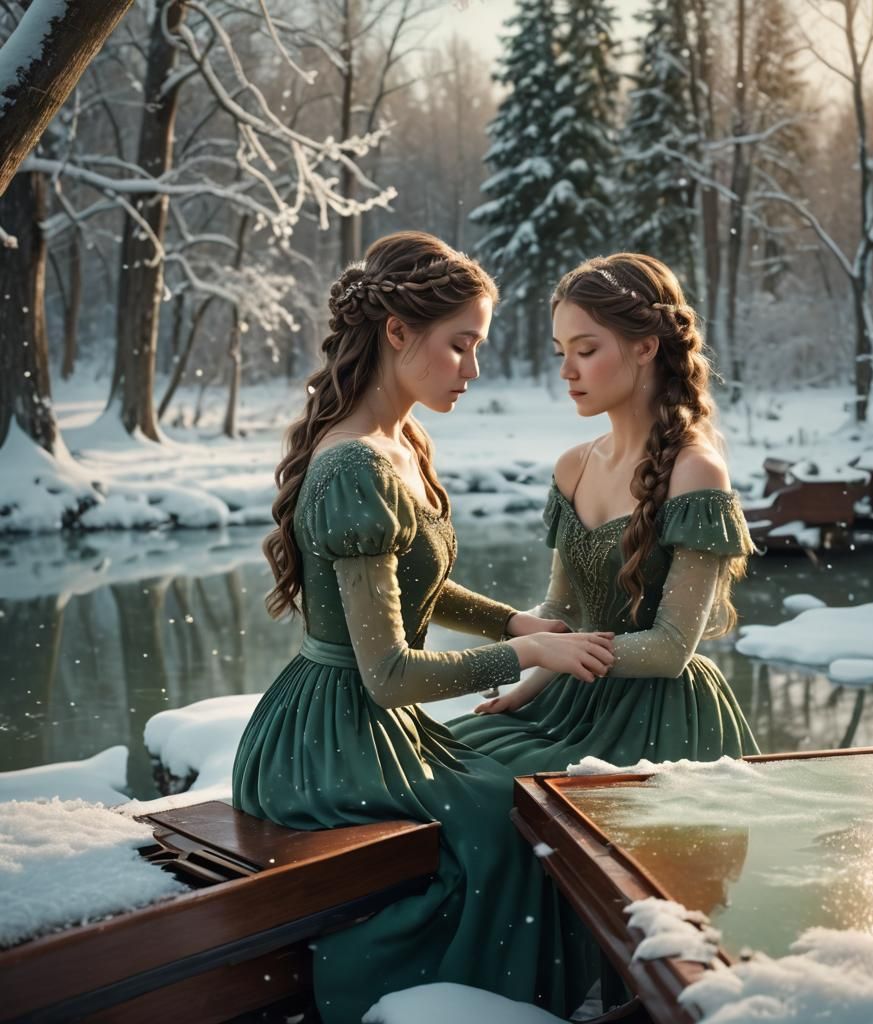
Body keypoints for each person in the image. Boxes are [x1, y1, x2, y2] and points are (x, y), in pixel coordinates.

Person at [232, 231, 613, 1022]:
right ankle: (413, 997)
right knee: (504, 822)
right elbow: (391, 674)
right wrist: (526, 650)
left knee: (539, 790)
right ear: (397, 332)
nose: (473, 370)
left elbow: (418, 583)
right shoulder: (355, 467)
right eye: (460, 346)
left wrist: (511, 618)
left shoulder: (403, 440)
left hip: (361, 721)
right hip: (326, 740)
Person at [449, 253, 759, 770]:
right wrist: (525, 684)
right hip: (568, 700)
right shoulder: (573, 466)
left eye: (586, 350)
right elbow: (564, 615)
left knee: (498, 794)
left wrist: (557, 658)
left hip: (657, 717)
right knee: (436, 764)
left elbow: (670, 648)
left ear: (646, 347)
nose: (568, 371)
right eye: (561, 353)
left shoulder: (696, 471)